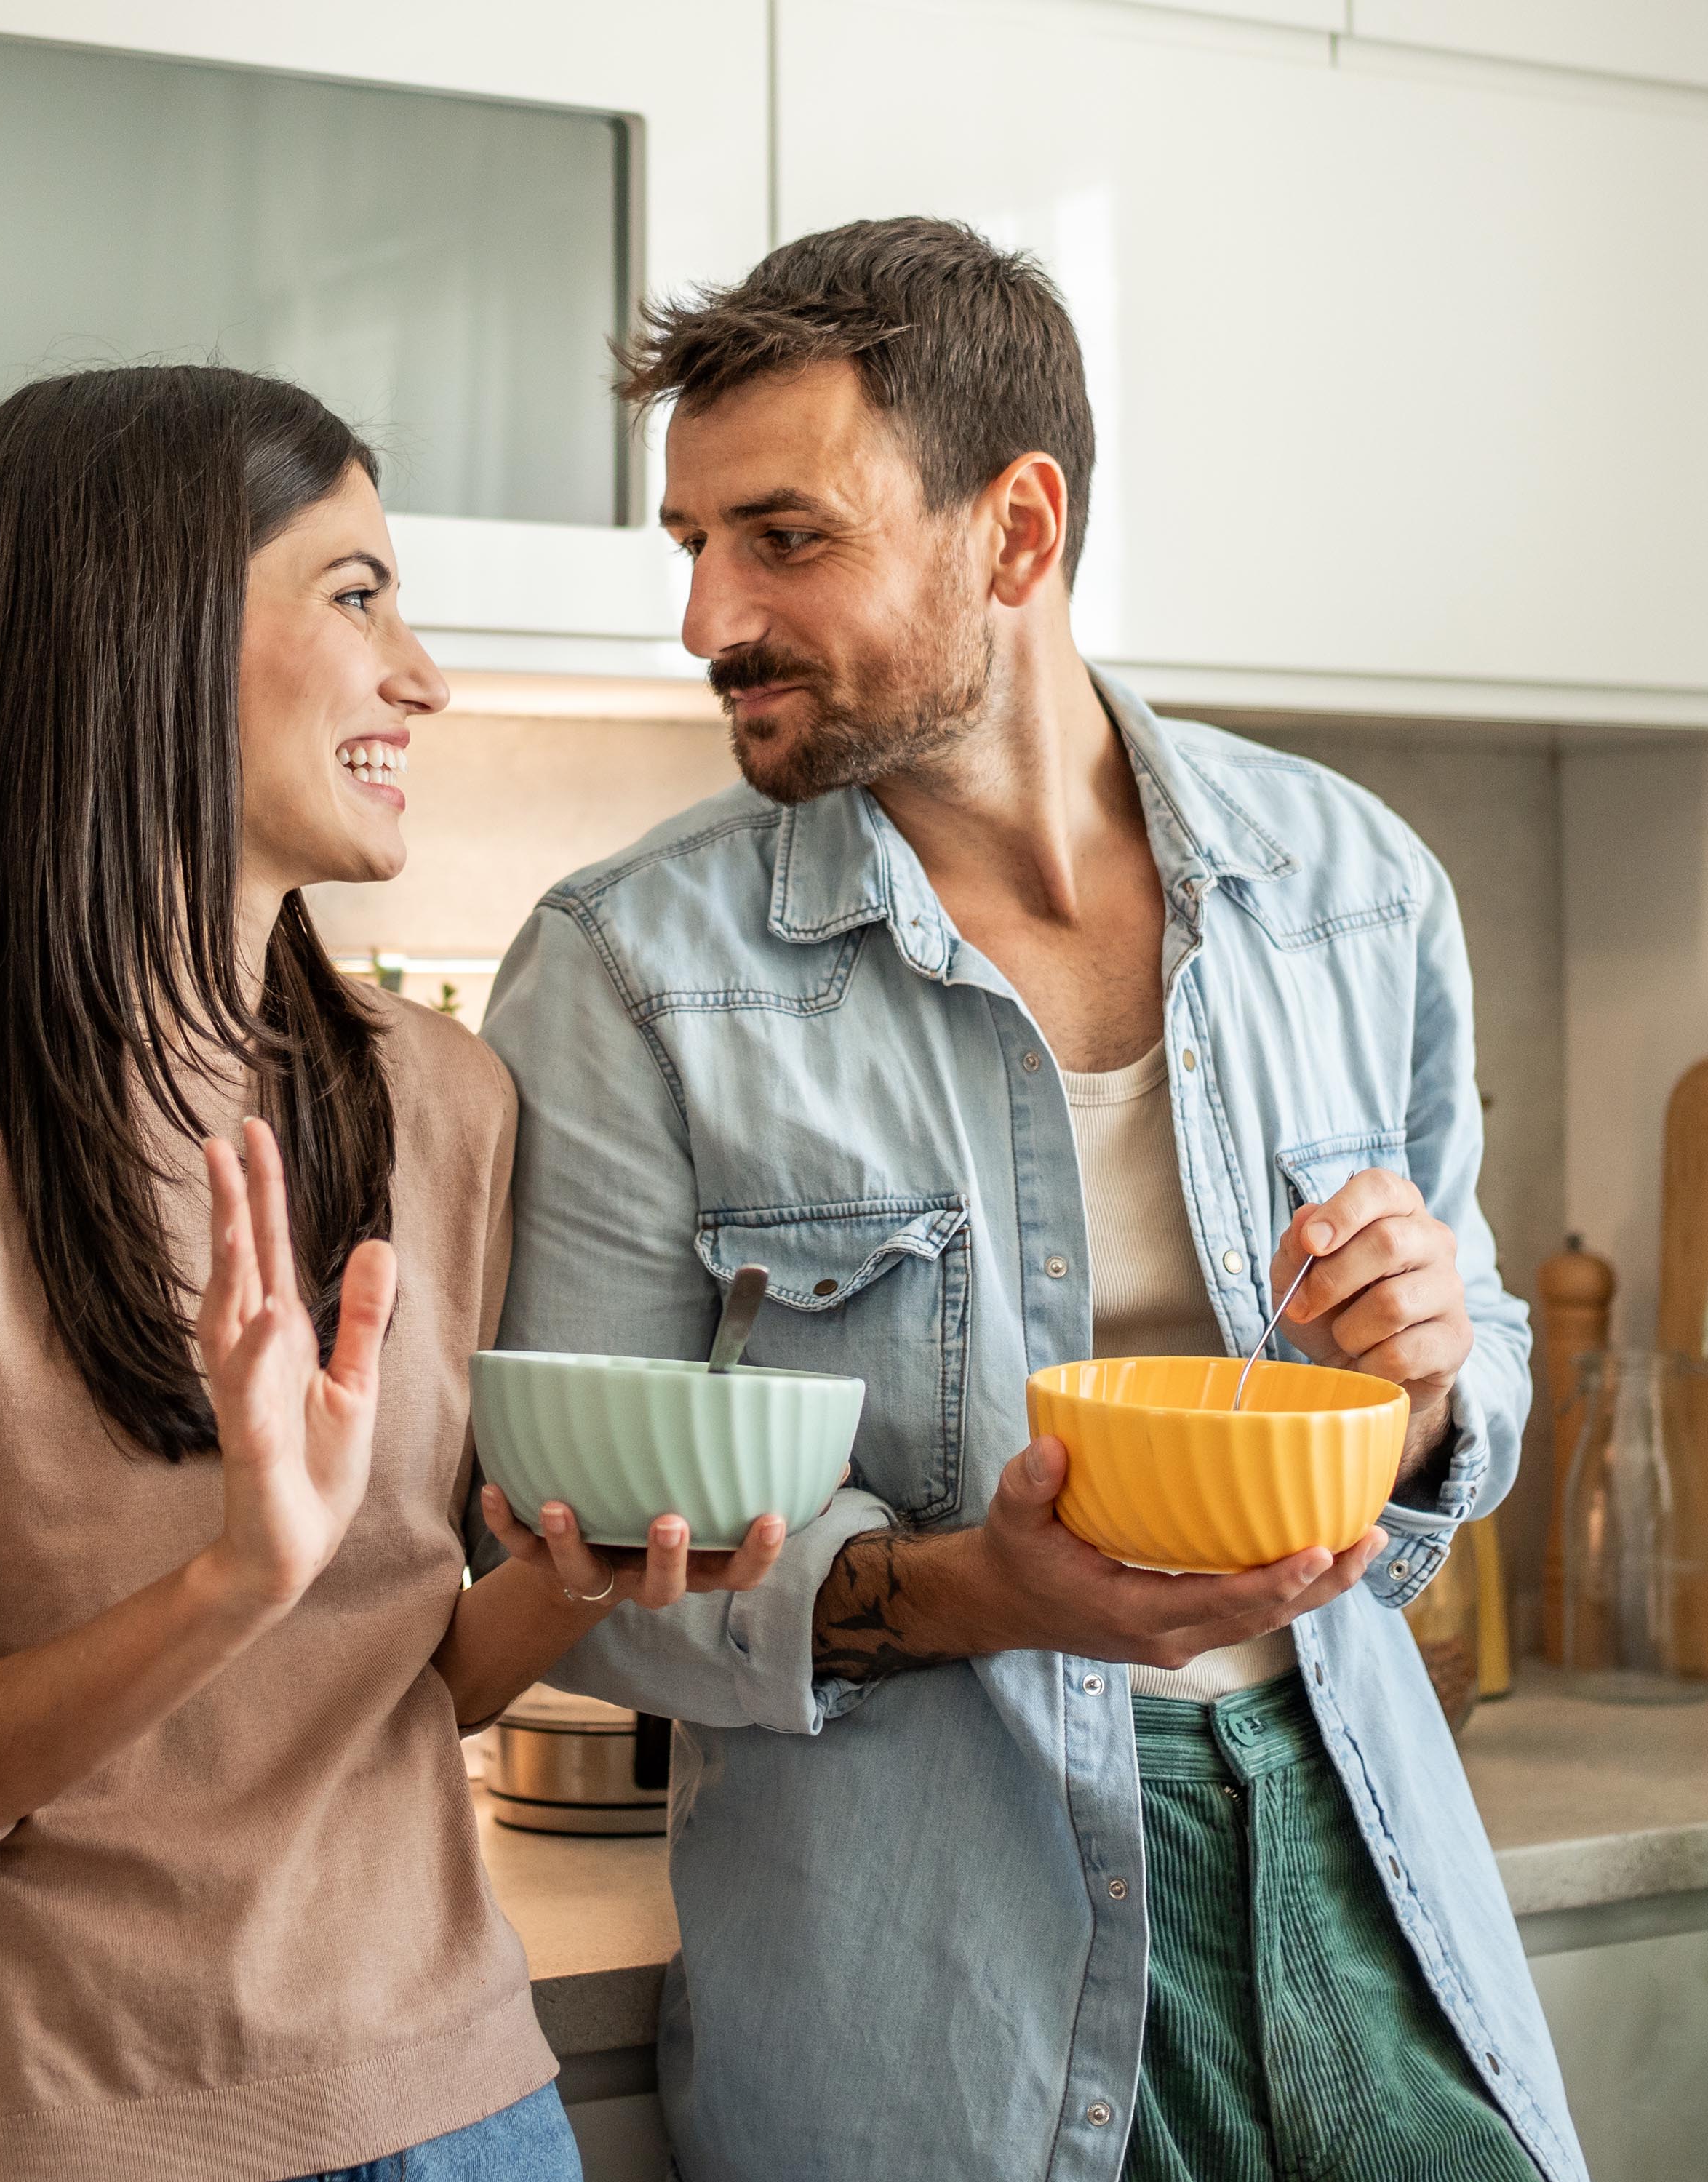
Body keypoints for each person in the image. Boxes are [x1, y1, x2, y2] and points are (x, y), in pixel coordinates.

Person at [480, 220, 1584, 2181]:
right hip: (936, 1961)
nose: (710, 616)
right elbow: (567, 1567)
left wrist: (1422, 1388)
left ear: (1016, 527)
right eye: (693, 544)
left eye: (785, 538)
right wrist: (970, 1594)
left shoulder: (1353, 886)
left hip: (1367, 1839)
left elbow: (1476, 1357)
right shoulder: (632, 972)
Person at [0, 364, 783, 2182]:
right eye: (356, 594)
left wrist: (563, 1586)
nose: (423, 675)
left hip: (460, 2102)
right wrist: (231, 1582)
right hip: (58, 2129)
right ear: (145, 630)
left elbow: (392, 1687)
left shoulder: (439, 1101)